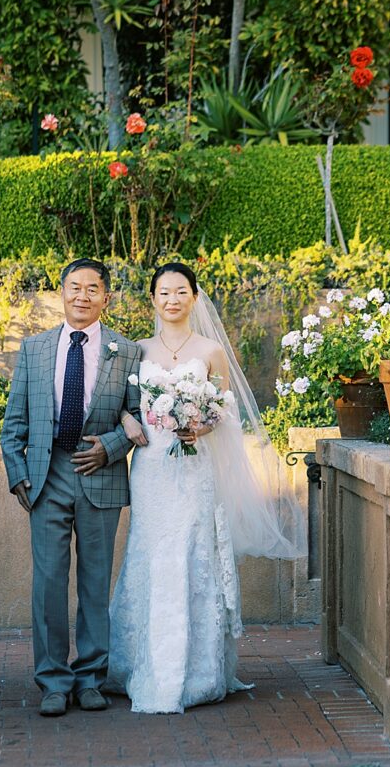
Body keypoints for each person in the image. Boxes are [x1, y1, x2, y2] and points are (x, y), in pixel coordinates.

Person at [107, 262, 306, 714]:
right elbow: (120, 406)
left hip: (195, 471)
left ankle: (197, 672)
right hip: (153, 468)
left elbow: (226, 412)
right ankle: (138, 664)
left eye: (181, 291)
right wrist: (127, 420)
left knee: (194, 553)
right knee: (149, 552)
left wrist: (201, 423)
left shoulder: (212, 350)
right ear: (152, 299)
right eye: (163, 292)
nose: (172, 299)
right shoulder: (136, 350)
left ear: (194, 297)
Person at [1, 258, 142, 717]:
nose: (83, 296)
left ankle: (90, 678)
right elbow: (14, 423)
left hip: (99, 475)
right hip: (46, 475)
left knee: (95, 582)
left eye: (93, 288)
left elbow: (142, 416)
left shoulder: (127, 351)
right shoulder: (35, 349)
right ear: (61, 292)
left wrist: (112, 446)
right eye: (75, 287)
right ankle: (53, 681)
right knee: (48, 582)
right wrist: (17, 473)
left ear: (106, 297)